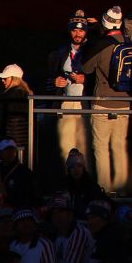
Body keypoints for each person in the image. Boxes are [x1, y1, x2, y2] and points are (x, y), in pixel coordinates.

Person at [81, 6, 132, 194]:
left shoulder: (101, 43)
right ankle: (122, 189)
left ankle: (105, 189)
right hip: (126, 102)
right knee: (120, 146)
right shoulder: (129, 42)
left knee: (101, 147)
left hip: (103, 100)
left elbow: (86, 68)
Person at [47, 16, 91, 173]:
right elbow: (49, 76)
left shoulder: (91, 50)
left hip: (85, 104)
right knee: (65, 146)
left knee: (84, 147)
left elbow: (100, 76)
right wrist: (55, 81)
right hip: (65, 102)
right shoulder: (60, 51)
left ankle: (85, 182)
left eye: (81, 30)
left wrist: (86, 79)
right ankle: (66, 180)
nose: (77, 34)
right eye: (74, 30)